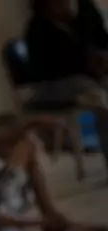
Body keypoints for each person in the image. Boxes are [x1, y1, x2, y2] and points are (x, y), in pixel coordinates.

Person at [0, 113, 107, 231]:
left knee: (57, 227)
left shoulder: (27, 159)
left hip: (17, 226)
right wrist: (35, 223)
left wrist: (52, 218)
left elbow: (40, 194)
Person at [25, 0, 108, 171]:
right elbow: (48, 70)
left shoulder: (86, 11)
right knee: (98, 98)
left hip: (93, 76)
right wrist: (88, 62)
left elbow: (103, 39)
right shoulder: (37, 30)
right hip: (58, 83)